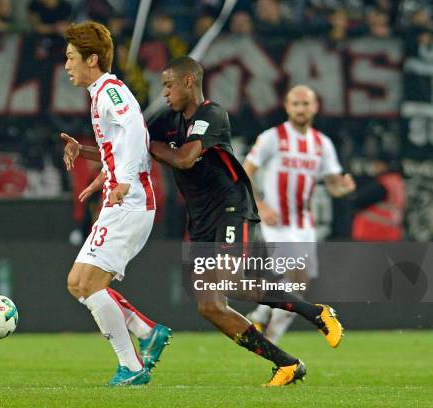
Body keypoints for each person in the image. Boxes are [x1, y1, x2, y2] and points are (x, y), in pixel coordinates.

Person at [146, 56, 343, 386]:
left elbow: (185, 157)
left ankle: (317, 312)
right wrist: (85, 149)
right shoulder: (166, 122)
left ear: (189, 82)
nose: (164, 92)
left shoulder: (213, 113)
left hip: (230, 208)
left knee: (232, 282)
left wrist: (147, 144)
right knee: (209, 306)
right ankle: (287, 364)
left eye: (168, 84)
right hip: (201, 220)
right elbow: (128, 147)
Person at [60, 21, 171, 386]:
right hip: (122, 198)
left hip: (130, 200)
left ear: (92, 59)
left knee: (87, 284)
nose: (66, 65)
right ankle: (144, 331)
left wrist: (121, 178)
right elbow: (119, 143)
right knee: (79, 283)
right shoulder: (100, 93)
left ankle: (133, 365)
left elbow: (137, 131)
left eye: (71, 58)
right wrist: (100, 170)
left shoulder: (110, 91)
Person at [243, 85, 356, 344]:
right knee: (294, 273)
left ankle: (267, 330)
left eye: (306, 104)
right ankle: (262, 320)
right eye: (296, 104)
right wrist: (260, 205)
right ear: (287, 106)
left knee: (299, 284)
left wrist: (345, 188)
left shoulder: (321, 143)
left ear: (315, 107)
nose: (301, 109)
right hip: (276, 220)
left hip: (304, 223)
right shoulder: (272, 137)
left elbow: (334, 186)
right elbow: (244, 172)